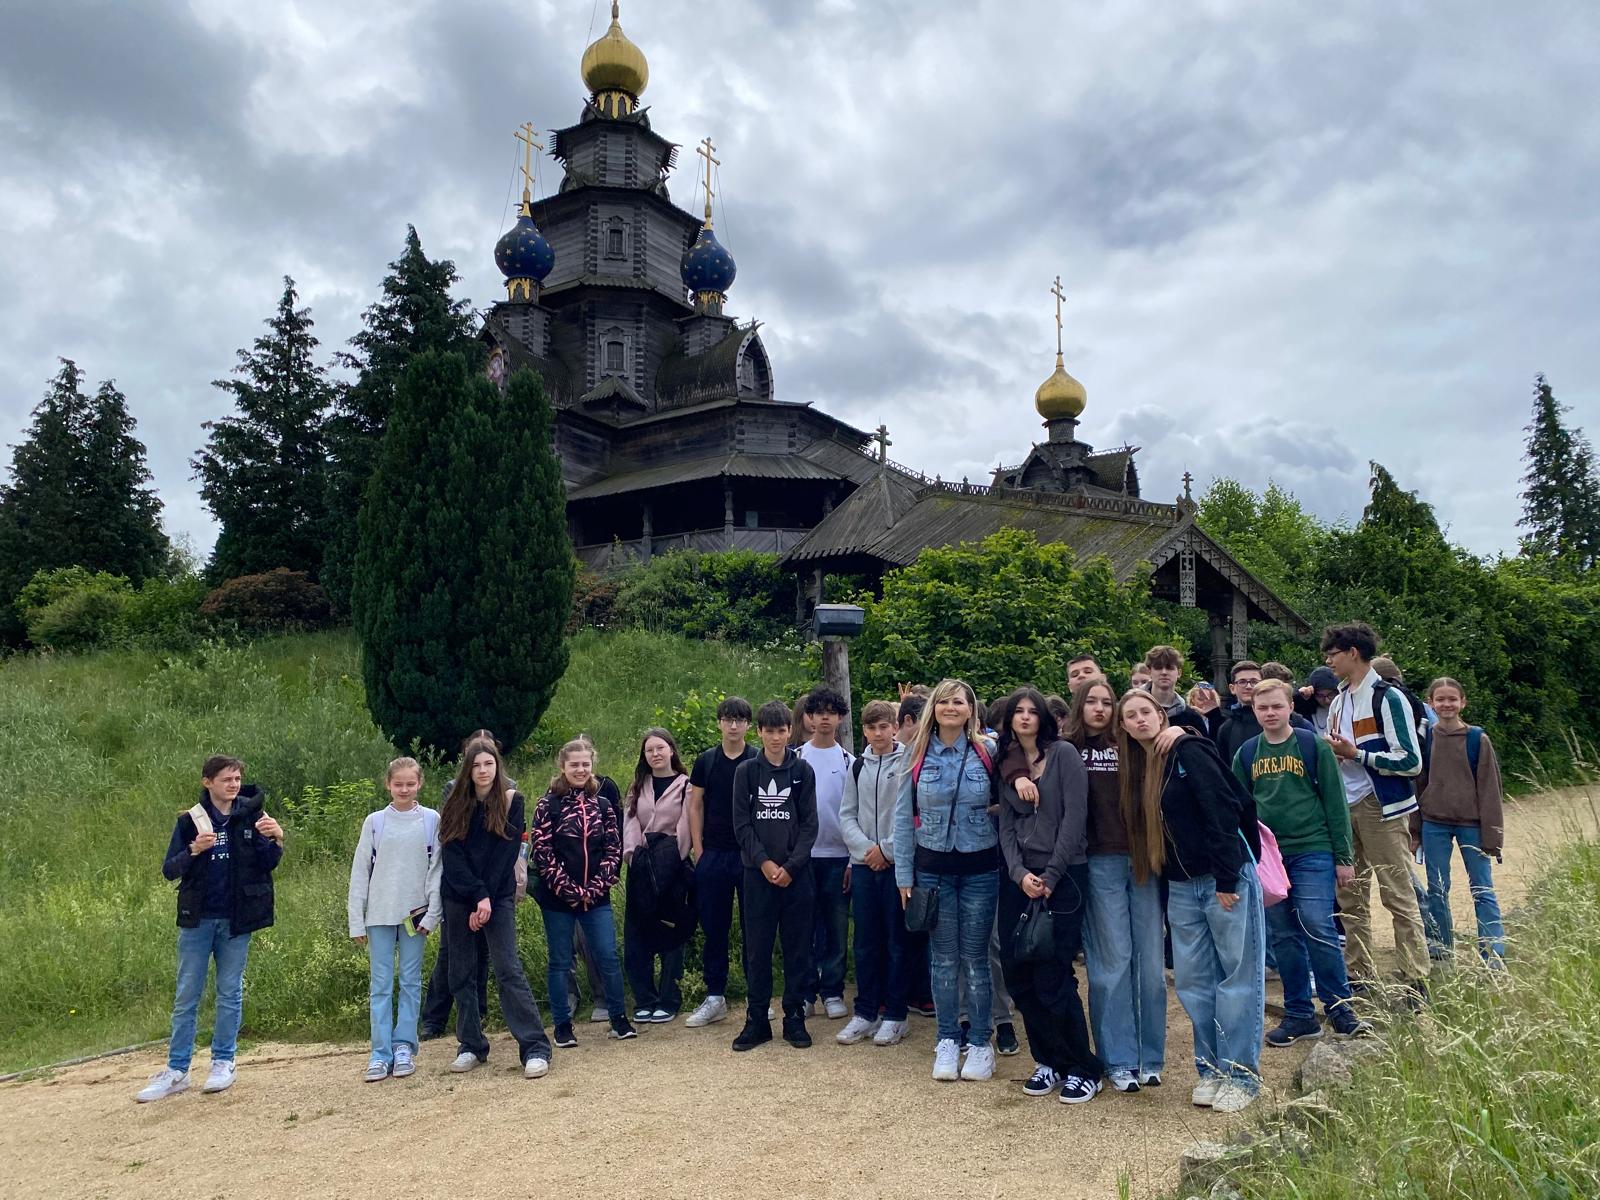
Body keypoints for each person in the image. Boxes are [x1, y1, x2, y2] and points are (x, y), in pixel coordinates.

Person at [1117, 690, 1266, 1114]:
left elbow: (1223, 808)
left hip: (1222, 879)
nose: (1140, 720)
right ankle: (1211, 1069)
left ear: (1161, 715)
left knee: (1236, 977)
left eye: (1146, 711)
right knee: (1195, 983)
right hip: (1181, 885)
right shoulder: (1140, 767)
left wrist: (1226, 875)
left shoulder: (1188, 749)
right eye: (1131, 716)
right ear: (1124, 727)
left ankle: (1241, 1074)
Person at [137, 755, 285, 1103]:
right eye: (226, 779)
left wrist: (278, 838)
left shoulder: (250, 815)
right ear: (208, 782)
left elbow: (267, 863)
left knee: (229, 991)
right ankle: (177, 1071)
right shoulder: (191, 821)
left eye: (237, 779)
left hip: (236, 920)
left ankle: (223, 1061)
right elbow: (169, 869)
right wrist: (193, 850)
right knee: (187, 994)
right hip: (198, 918)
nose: (233, 785)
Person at [1231, 681, 1368, 1043]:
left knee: (1316, 924)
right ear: (1254, 711)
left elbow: (1335, 802)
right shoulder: (1246, 754)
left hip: (1312, 848)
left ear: (1291, 706)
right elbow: (1238, 809)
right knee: (1283, 935)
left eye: (1277, 706)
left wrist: (1343, 857)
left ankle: (1339, 1007)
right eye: (1263, 708)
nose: (1270, 713)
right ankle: (1298, 1013)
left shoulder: (1312, 746)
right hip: (1269, 857)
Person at [995, 687, 1103, 1103]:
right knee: (1018, 971)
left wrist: (1052, 875)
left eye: (1031, 711)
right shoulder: (1007, 765)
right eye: (1017, 712)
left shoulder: (1064, 755)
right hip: (1018, 880)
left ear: (1044, 717)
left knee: (1053, 974)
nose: (1024, 717)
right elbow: (1005, 826)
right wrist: (1020, 874)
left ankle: (1082, 1066)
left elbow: (1075, 819)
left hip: (1065, 877)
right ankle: (1049, 1060)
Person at [893, 678, 1000, 1083]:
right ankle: (946, 1039)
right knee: (942, 959)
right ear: (932, 709)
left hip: (979, 869)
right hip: (931, 868)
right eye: (945, 702)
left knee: (975, 958)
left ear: (971, 709)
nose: (952, 708)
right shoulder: (916, 754)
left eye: (960, 701)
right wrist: (904, 874)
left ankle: (979, 1042)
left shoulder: (987, 751)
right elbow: (903, 819)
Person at [1322, 622, 1430, 1001]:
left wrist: (1357, 754)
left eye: (1333, 653)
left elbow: (1411, 762)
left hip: (1381, 806)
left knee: (1397, 895)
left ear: (1353, 651)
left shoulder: (1388, 697)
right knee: (1351, 898)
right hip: (1344, 805)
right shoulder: (1337, 701)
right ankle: (1360, 977)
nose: (1328, 660)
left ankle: (1416, 981)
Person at [1071, 678, 1168, 1094]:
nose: (1100, 708)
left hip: (1144, 858)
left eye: (1107, 702)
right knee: (1112, 963)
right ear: (1080, 705)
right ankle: (1118, 1058)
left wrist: (1180, 727)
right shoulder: (1069, 748)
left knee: (1149, 963)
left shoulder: (1128, 740)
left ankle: (1150, 1056)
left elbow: (1173, 740)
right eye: (1091, 701)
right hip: (1098, 860)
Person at [440, 738, 554, 1077]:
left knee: (508, 968)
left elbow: (506, 854)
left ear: (497, 766)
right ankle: (471, 1045)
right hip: (460, 896)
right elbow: (452, 855)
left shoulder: (512, 800)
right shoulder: (454, 803)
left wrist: (487, 897)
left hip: (498, 895)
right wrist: (477, 896)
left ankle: (535, 1047)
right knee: (461, 972)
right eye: (476, 765)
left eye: (488, 764)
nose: (483, 770)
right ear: (468, 769)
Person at [347, 757, 444, 1082]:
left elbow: (437, 871)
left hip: (414, 917)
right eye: (398, 784)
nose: (404, 789)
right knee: (381, 985)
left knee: (411, 982)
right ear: (388, 784)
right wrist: (356, 921)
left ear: (419, 784)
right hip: (379, 915)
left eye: (410, 783)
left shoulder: (432, 820)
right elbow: (360, 872)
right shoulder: (374, 822)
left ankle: (404, 1046)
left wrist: (433, 914)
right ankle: (380, 1052)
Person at [533, 740, 634, 1048]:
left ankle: (618, 1018)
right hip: (558, 899)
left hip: (596, 897)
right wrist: (570, 890)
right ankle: (563, 1025)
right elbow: (542, 851)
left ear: (592, 766)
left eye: (585, 764)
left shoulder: (602, 804)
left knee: (608, 956)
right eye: (574, 764)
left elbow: (613, 849)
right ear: (562, 767)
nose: (580, 769)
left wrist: (594, 888)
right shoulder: (547, 805)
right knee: (560, 961)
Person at [731, 700, 819, 1051]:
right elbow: (742, 824)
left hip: (797, 876)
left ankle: (794, 1016)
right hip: (758, 876)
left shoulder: (803, 771)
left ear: (789, 731)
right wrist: (765, 863)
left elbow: (810, 825)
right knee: (758, 949)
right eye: (769, 730)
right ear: (760, 732)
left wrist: (791, 866)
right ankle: (756, 1019)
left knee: (797, 948)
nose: (776, 737)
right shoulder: (747, 772)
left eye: (782, 730)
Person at [1411, 678, 1505, 962]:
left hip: (1471, 825)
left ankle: (1493, 952)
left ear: (1463, 702)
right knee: (1437, 889)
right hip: (1434, 823)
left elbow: (1490, 790)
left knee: (1482, 888)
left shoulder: (1478, 739)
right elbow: (1417, 785)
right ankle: (1441, 948)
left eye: (1452, 699)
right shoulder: (1425, 740)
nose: (1446, 704)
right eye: (1440, 699)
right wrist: (1415, 830)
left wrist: (1493, 837)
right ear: (1430, 703)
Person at [837, 699, 911, 1046]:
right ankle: (865, 1011)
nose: (878, 734)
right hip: (866, 865)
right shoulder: (857, 767)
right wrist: (868, 851)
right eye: (871, 728)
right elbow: (846, 814)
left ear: (895, 727)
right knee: (865, 942)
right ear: (863, 731)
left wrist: (888, 850)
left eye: (884, 726)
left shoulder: (910, 761)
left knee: (897, 942)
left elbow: (914, 814)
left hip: (897, 865)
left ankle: (896, 1014)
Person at [420, 729, 500, 1040]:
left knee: (485, 951)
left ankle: (478, 1013)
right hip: (458, 885)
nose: (482, 768)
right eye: (475, 758)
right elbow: (451, 840)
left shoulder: (509, 791)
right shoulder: (452, 790)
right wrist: (471, 888)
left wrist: (492, 889)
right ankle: (435, 1019)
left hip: (492, 887)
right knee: (450, 954)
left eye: (488, 757)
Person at [684, 697, 757, 1028]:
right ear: (719, 723)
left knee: (754, 927)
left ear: (748, 725)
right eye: (728, 719)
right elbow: (695, 805)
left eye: (740, 720)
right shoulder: (706, 761)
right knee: (715, 928)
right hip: (713, 854)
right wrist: (699, 850)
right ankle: (715, 996)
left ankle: (758, 995)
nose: (733, 725)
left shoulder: (756, 758)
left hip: (750, 857)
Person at [622, 729, 692, 1023]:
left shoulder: (686, 785)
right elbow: (630, 822)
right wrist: (634, 855)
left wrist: (670, 859)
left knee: (671, 932)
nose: (655, 754)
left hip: (673, 865)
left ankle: (668, 998)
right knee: (637, 935)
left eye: (660, 748)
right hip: (640, 865)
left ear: (672, 750)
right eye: (649, 750)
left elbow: (687, 824)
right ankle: (644, 998)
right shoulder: (638, 786)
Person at [798, 687, 854, 1019]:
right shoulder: (795, 758)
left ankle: (832, 990)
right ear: (808, 717)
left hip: (838, 856)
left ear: (840, 718)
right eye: (818, 711)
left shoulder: (850, 761)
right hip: (803, 858)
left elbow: (854, 812)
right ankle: (805, 991)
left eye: (831, 711)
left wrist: (851, 859)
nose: (824, 717)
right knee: (803, 927)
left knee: (836, 927)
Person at [896, 693, 937, 1019]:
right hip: (904, 855)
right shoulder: (908, 757)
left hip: (930, 853)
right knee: (905, 932)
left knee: (927, 933)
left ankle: (925, 993)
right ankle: (905, 994)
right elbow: (901, 813)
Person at [1215, 660, 1312, 766]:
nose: (1248, 686)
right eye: (1242, 682)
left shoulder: (1292, 719)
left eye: (1254, 681)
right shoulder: (1227, 729)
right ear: (1232, 688)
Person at [1144, 645, 1209, 735]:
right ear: (1149, 672)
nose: (1164, 672)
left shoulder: (1192, 717)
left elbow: (1205, 747)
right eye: (1158, 667)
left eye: (1169, 668)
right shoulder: (1132, 709)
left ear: (1179, 673)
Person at [1295, 667, 1340, 736]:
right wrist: (1299, 694)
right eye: (1320, 696)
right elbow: (1286, 703)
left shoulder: (1345, 706)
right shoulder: (1304, 709)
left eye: (1330, 694)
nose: (1327, 700)